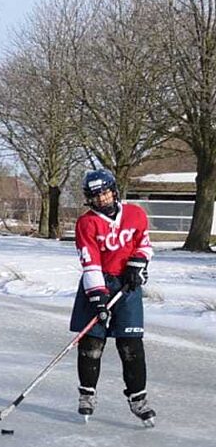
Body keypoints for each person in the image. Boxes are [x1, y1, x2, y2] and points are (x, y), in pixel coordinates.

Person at [72, 169, 155, 425]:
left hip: (127, 286)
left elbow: (145, 244)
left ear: (114, 191)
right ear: (89, 198)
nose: (102, 199)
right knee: (92, 344)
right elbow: (91, 263)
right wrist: (97, 298)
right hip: (98, 283)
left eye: (106, 193)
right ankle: (87, 395)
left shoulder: (135, 214)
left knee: (131, 345)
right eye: (96, 196)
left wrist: (137, 265)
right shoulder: (86, 223)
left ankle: (138, 399)